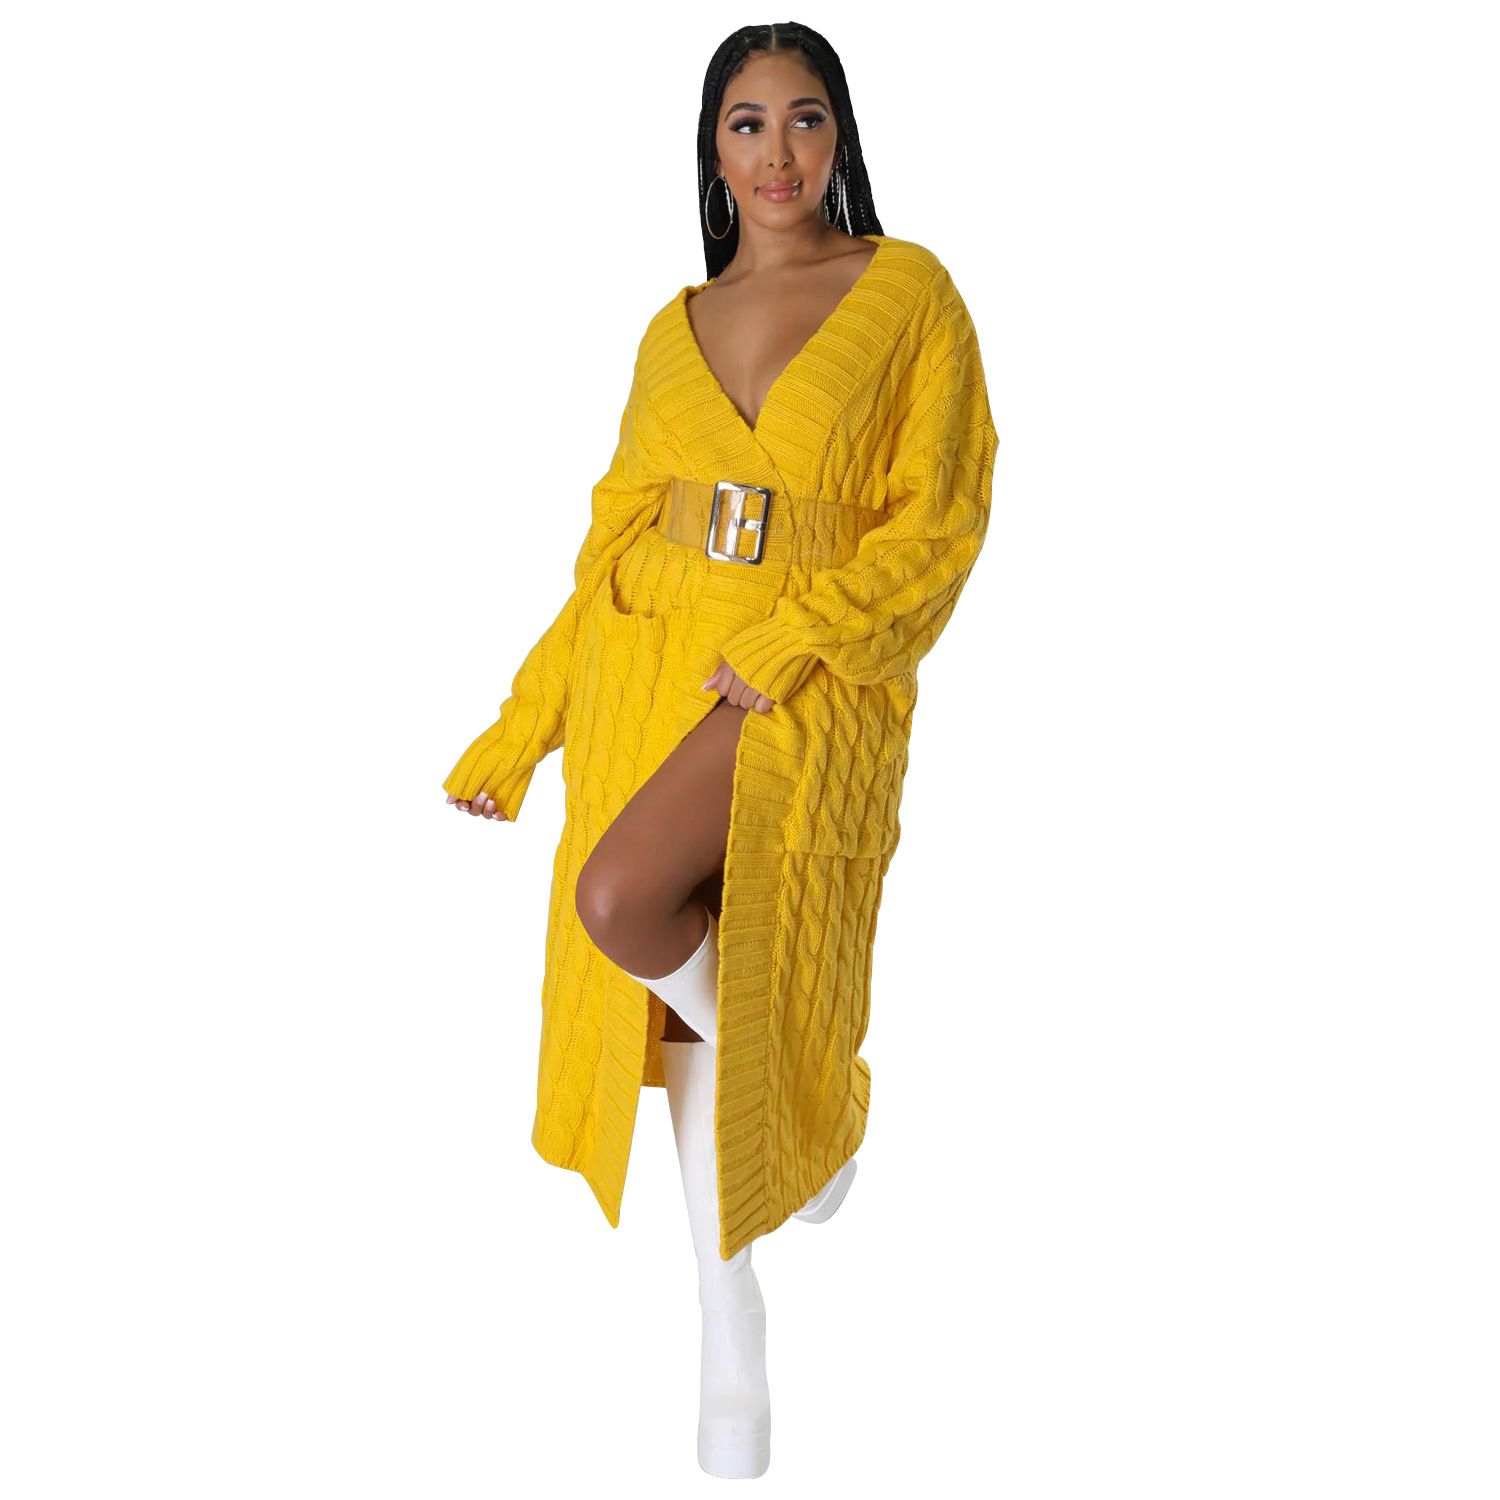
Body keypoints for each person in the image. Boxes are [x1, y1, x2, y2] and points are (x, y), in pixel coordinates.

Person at [442, 22, 997, 1481]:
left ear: (841, 135)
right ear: (713, 148)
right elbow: (610, 544)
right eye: (746, 124)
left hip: (805, 678)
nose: (777, 153)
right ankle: (730, 1329)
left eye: (804, 119)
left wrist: (801, 632)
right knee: (692, 1002)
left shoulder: (908, 293)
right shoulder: (668, 329)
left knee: (622, 899)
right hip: (653, 666)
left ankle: (808, 1116)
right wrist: (527, 720)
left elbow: (941, 518)